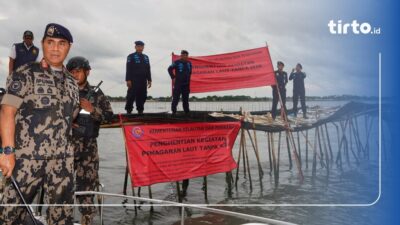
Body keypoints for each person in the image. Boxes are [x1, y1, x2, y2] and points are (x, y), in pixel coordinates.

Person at [0, 23, 79, 225]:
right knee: (10, 216)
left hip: (63, 162)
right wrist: (8, 151)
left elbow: (72, 116)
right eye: (50, 42)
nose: (55, 48)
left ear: (68, 47)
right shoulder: (25, 73)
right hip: (27, 160)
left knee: (62, 218)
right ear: (42, 44)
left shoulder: (72, 82)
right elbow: (7, 112)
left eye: (61, 43)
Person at [66, 56, 113, 225]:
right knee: (62, 189)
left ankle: (87, 220)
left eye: (78, 71)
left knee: (87, 189)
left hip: (88, 149)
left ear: (87, 72)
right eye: (71, 72)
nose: (75, 75)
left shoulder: (97, 94)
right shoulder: (62, 91)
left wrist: (92, 109)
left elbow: (109, 117)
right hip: (65, 148)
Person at [125, 40, 152, 115]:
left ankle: (140, 110)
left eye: (141, 46)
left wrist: (149, 80)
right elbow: (128, 68)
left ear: (143, 47)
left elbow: (148, 69)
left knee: (143, 96)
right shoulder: (131, 56)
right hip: (133, 80)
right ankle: (128, 110)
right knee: (131, 96)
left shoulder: (146, 57)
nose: (140, 48)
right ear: (135, 47)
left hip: (143, 80)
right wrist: (128, 79)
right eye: (138, 46)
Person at [168, 50, 192, 115]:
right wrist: (173, 77)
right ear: (181, 55)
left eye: (186, 55)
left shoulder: (189, 63)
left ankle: (187, 112)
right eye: (183, 55)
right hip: (178, 84)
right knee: (176, 99)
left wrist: (188, 83)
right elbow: (169, 69)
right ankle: (173, 112)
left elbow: (190, 73)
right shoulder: (176, 62)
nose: (185, 56)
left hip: (186, 84)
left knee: (186, 100)